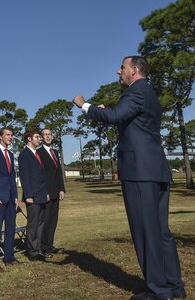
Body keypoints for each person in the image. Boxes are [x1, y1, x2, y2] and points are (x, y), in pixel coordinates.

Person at [74, 55, 185, 300]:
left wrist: (85, 105)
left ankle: (159, 291)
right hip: (155, 170)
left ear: (134, 70)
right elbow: (124, 119)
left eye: (122, 67)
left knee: (146, 230)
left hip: (139, 172)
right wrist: (108, 112)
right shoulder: (147, 92)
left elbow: (115, 116)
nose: (118, 71)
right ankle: (174, 285)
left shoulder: (136, 91)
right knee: (160, 231)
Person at [0, 127, 19, 271]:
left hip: (11, 198)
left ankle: (9, 257)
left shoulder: (11, 155)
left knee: (10, 229)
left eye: (12, 135)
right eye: (8, 135)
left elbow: (11, 176)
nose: (10, 137)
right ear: (0, 136)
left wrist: (16, 196)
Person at [18, 128, 50, 261]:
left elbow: (42, 176)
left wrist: (46, 193)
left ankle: (38, 249)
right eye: (37, 137)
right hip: (33, 197)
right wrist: (29, 195)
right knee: (33, 225)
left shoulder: (37, 154)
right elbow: (25, 177)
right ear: (29, 139)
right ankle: (32, 251)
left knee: (40, 224)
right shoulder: (24, 155)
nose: (40, 139)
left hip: (42, 195)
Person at [36, 128, 65, 255]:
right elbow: (40, 175)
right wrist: (44, 192)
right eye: (45, 135)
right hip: (46, 193)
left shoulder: (55, 152)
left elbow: (58, 172)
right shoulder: (39, 152)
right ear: (41, 138)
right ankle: (42, 247)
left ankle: (50, 245)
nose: (48, 136)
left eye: (49, 134)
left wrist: (61, 189)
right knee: (46, 221)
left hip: (56, 191)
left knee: (53, 220)